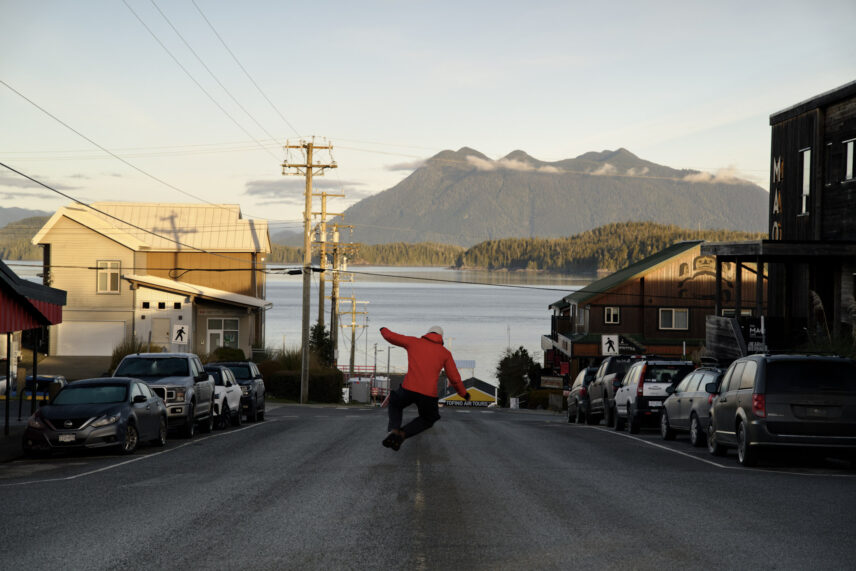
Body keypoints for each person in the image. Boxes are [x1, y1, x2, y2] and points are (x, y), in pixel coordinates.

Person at [380, 325, 469, 451]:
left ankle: (394, 430)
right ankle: (403, 434)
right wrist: (463, 393)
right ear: (441, 338)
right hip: (428, 395)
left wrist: (383, 329)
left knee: (395, 402)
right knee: (429, 418)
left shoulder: (414, 342)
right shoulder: (445, 353)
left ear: (427, 333)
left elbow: (392, 337)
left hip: (408, 389)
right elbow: (454, 378)